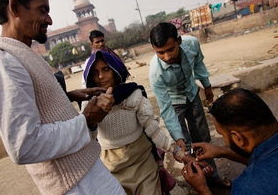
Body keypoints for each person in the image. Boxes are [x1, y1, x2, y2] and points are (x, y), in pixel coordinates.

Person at [0, 0, 125, 195]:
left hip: (84, 175)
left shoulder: (19, 53)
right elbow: (24, 145)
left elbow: (32, 106)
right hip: (76, 186)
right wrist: (86, 119)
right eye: (42, 10)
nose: (49, 20)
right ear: (14, 7)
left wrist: (66, 96)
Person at [83, 50, 212, 195]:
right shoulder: (89, 104)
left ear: (115, 69)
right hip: (111, 167)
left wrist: (181, 154)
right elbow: (88, 138)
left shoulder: (133, 96)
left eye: (105, 69)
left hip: (142, 162)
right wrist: (93, 118)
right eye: (95, 72)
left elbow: (154, 131)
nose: (100, 76)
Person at [148, 22, 229, 187]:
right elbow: (166, 108)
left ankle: (214, 178)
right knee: (185, 147)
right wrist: (177, 137)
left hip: (192, 95)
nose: (167, 56)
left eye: (170, 49)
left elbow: (199, 65)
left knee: (203, 138)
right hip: (174, 103)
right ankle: (199, 183)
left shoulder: (191, 44)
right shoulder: (155, 72)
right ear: (153, 49)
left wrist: (207, 86)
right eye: (160, 53)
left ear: (178, 41)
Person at [182, 88, 278, 195]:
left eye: (222, 134)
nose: (224, 141)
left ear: (238, 138)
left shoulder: (248, 187)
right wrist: (223, 152)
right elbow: (264, 160)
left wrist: (203, 190)